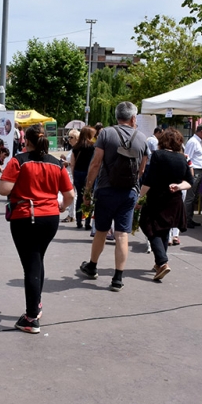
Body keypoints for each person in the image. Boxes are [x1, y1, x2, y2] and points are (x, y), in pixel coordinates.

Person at [0, 124, 74, 334]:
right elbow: (69, 196)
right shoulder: (57, 164)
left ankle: (31, 318)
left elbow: (3, 188)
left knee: (31, 263)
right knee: (38, 258)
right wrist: (60, 207)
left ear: (26, 141)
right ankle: (36, 304)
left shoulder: (19, 161)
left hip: (26, 216)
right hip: (50, 217)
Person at [79, 102, 148, 292]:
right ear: (133, 118)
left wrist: (87, 189)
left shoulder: (106, 133)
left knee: (101, 230)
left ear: (117, 116)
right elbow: (142, 169)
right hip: (129, 192)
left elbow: (95, 163)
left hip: (106, 189)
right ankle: (117, 278)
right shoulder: (142, 138)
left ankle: (92, 266)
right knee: (122, 234)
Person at [139, 128, 193, 280]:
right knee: (163, 230)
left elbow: (149, 180)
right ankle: (159, 264)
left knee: (147, 225)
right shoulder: (182, 158)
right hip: (174, 199)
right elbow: (190, 181)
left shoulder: (158, 155)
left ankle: (163, 262)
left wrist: (139, 197)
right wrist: (178, 186)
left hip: (157, 197)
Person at [70, 126, 96, 230]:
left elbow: (72, 163)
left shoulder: (75, 147)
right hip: (88, 173)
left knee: (79, 197)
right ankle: (87, 221)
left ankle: (78, 221)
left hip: (77, 173)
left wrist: (73, 174)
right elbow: (95, 162)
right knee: (88, 196)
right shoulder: (93, 147)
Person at [183, 124, 202, 228]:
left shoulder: (198, 141)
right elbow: (187, 157)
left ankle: (189, 218)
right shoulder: (193, 142)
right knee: (190, 196)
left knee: (193, 197)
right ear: (201, 132)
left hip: (198, 170)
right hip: (194, 170)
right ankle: (186, 220)